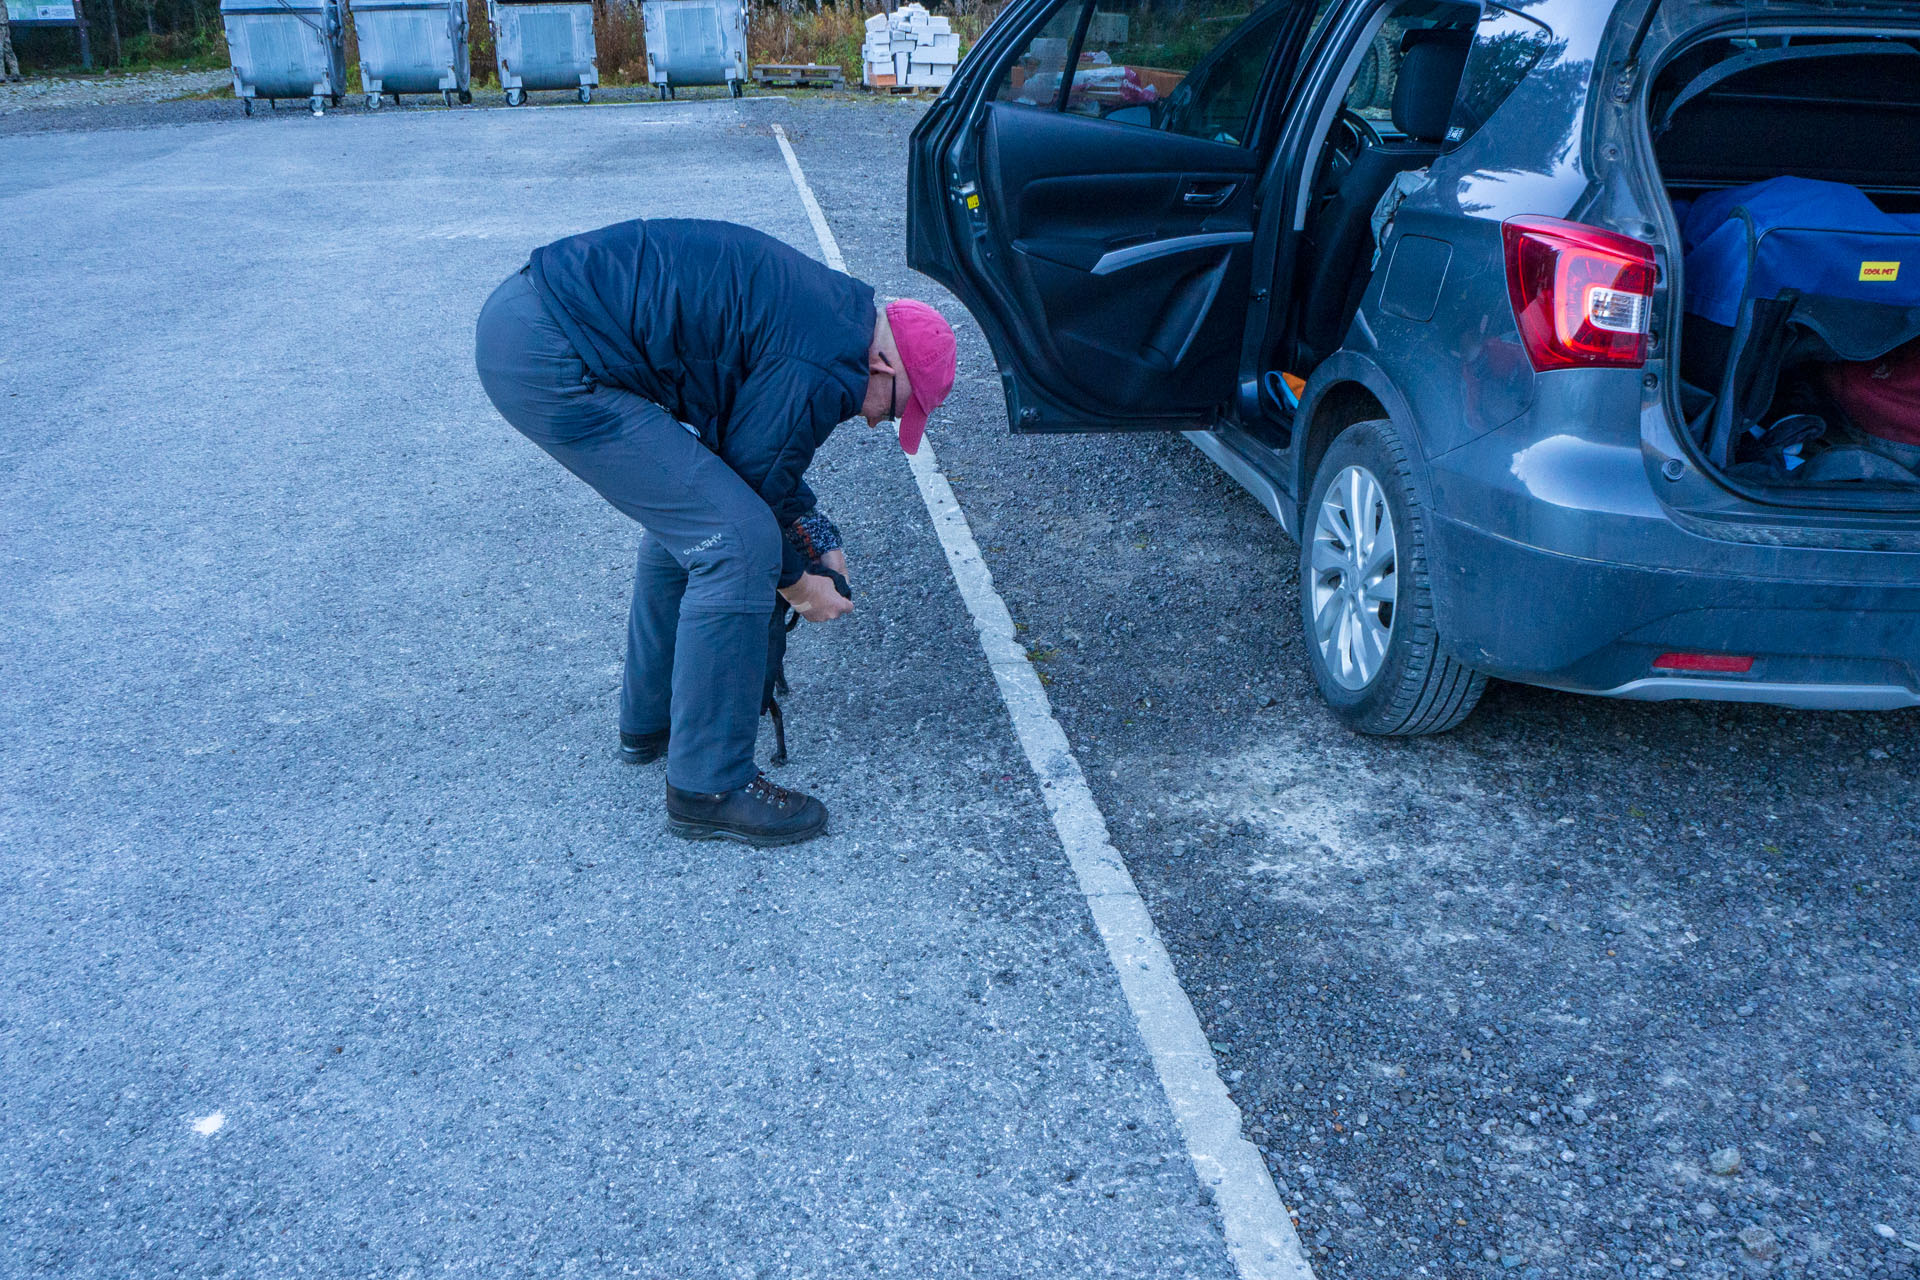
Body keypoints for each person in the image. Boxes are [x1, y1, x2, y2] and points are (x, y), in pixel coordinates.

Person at [475, 219, 957, 847]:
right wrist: (801, 586)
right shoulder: (825, 362)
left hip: (529, 321)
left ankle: (652, 724)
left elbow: (742, 461)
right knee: (734, 543)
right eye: (893, 409)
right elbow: (751, 492)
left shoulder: (829, 321)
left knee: (699, 519)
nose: (875, 425)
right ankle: (710, 786)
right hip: (553, 356)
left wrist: (815, 534)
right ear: (883, 362)